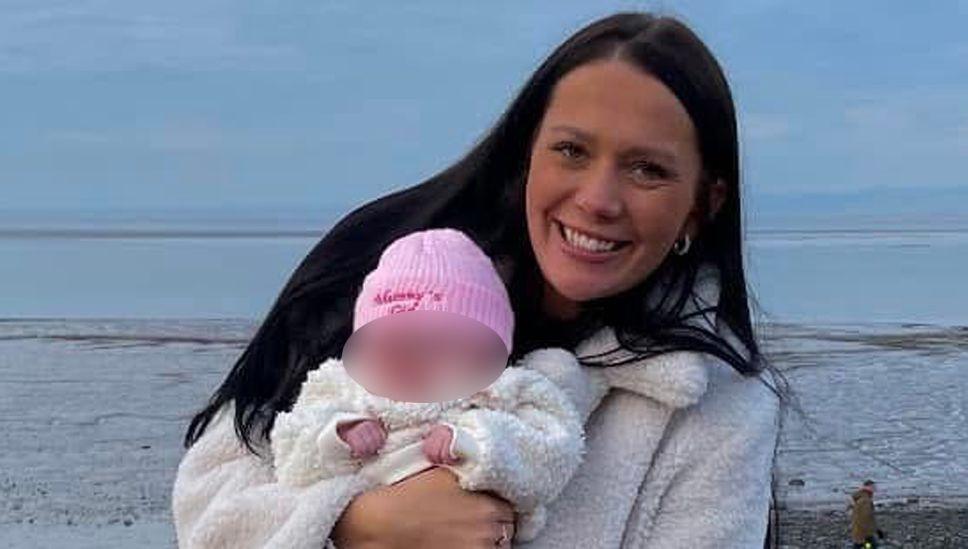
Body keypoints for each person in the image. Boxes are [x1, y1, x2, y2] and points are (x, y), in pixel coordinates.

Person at [171, 11, 786, 549]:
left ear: (703, 204)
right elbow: (207, 501)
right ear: (528, 154)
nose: (598, 199)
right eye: (572, 150)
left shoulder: (720, 408)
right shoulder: (384, 267)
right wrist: (357, 525)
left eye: (647, 169)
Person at [268, 227, 589, 544]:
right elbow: (291, 455)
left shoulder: (504, 392)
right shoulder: (341, 388)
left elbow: (552, 453)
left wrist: (473, 442)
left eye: (437, 345)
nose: (409, 359)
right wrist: (339, 435)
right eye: (392, 343)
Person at [850, 480, 885, 548]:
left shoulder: (862, 499)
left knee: (863, 546)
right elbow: (866, 519)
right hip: (865, 534)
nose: (874, 490)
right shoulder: (865, 501)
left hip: (860, 532)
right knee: (869, 546)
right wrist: (875, 530)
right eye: (873, 488)